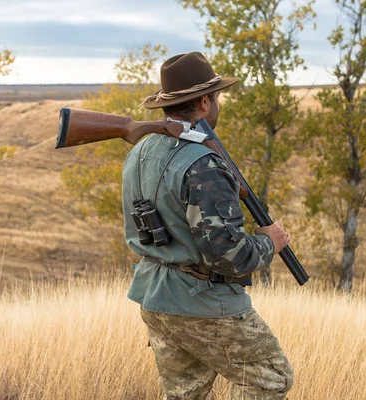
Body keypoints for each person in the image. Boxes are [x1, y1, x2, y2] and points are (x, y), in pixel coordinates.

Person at [122, 52, 294, 400]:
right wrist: (268, 243)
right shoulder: (204, 165)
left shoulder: (140, 151)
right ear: (203, 103)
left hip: (155, 296)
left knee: (186, 393)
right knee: (272, 377)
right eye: (215, 96)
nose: (217, 103)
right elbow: (228, 257)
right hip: (204, 302)